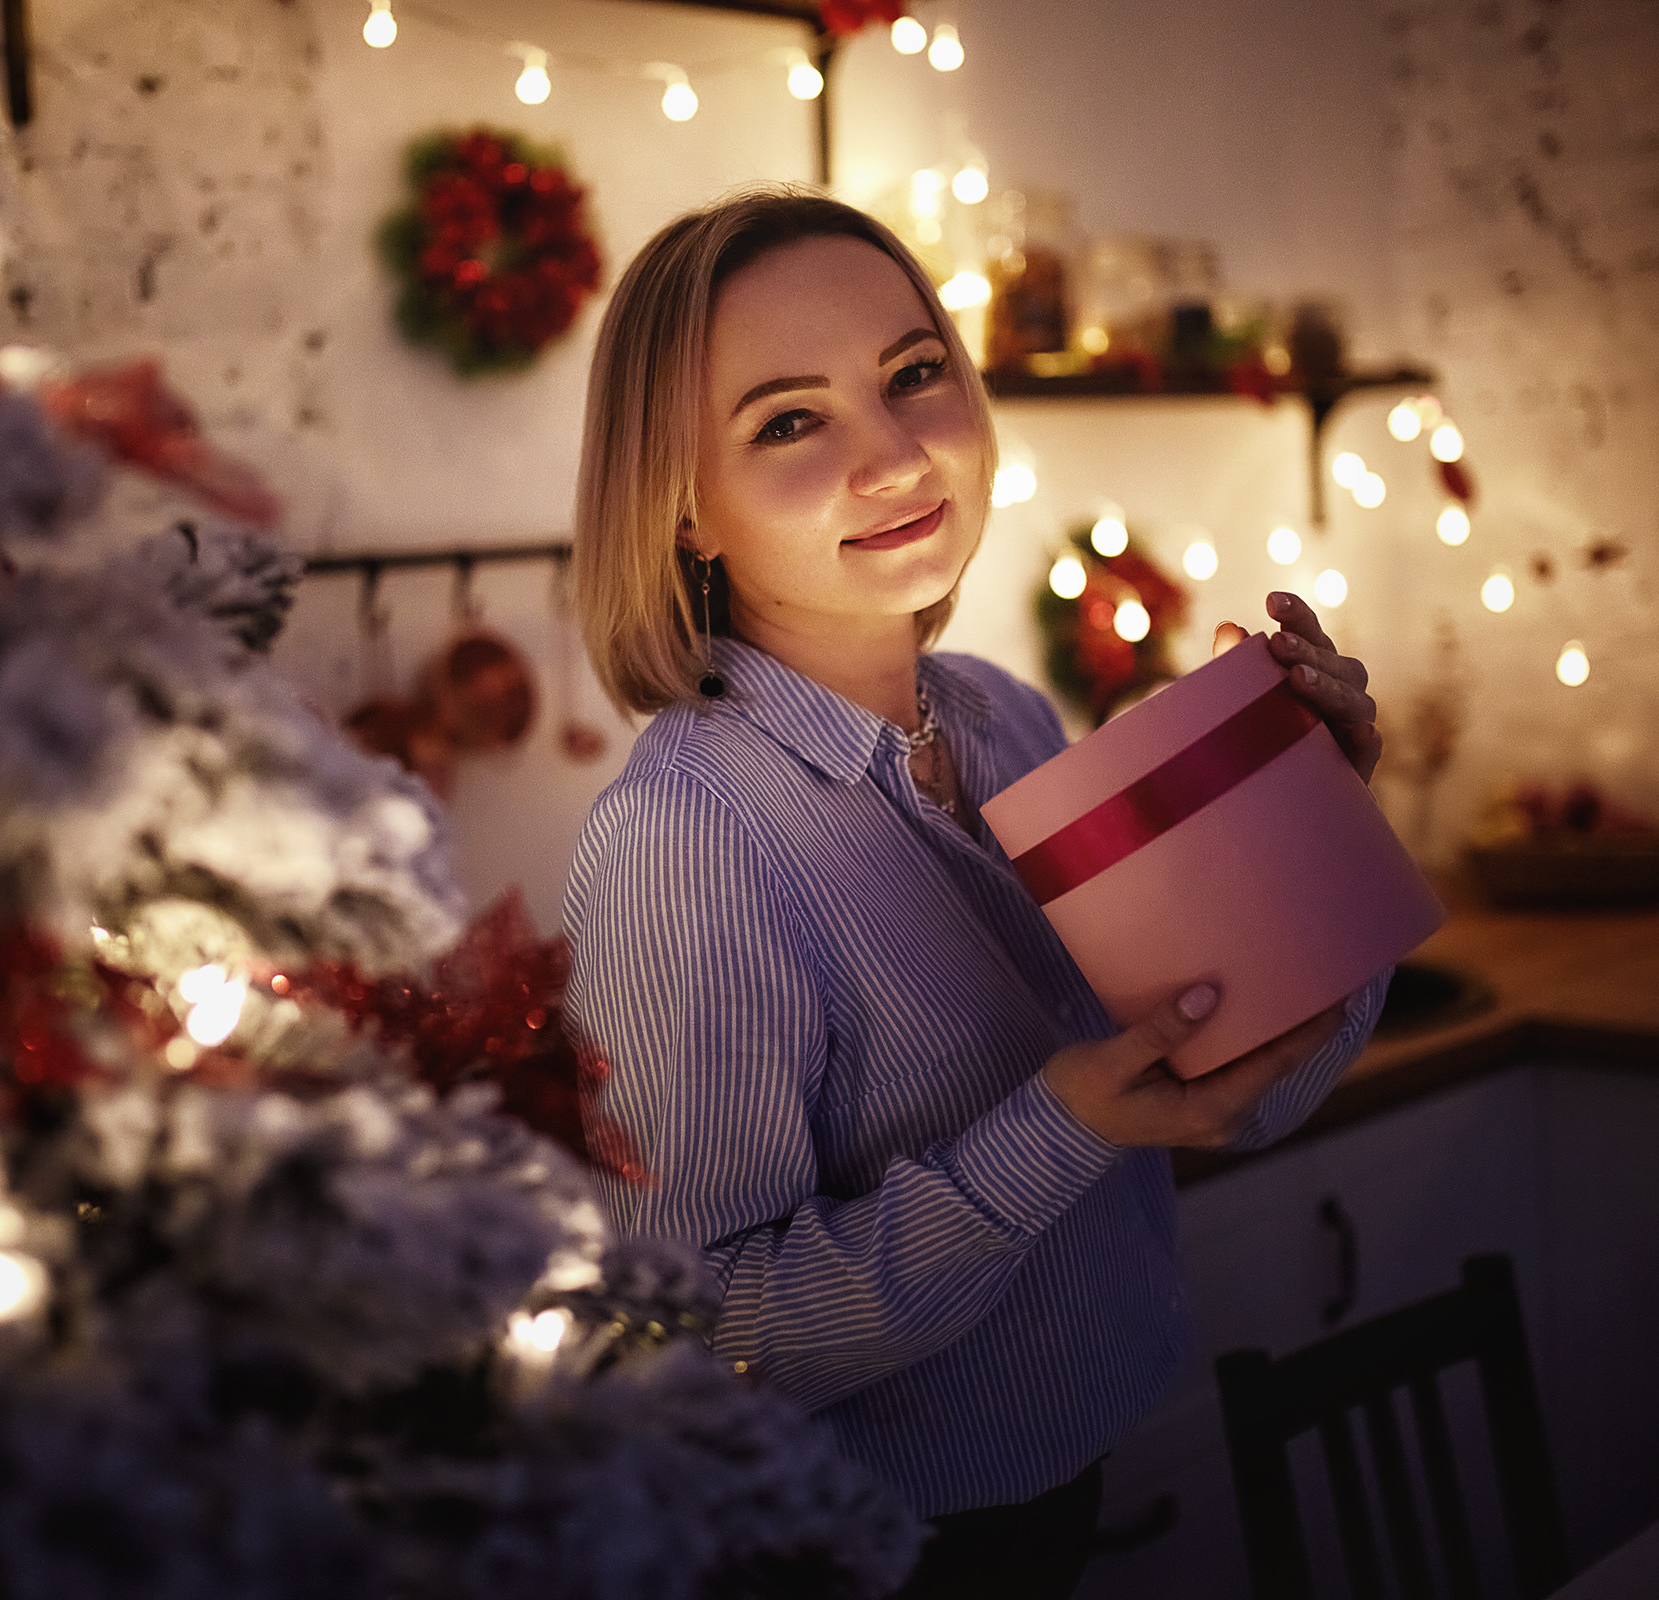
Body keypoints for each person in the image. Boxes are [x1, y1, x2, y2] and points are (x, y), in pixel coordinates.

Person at [561, 186, 1387, 1600]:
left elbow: (1234, 1085)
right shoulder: (685, 839)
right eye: (789, 420)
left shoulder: (1001, 719)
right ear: (683, 508)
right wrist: (1054, 1132)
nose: (896, 456)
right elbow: (686, 1343)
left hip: (1066, 1481)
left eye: (913, 375)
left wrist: (1314, 829)